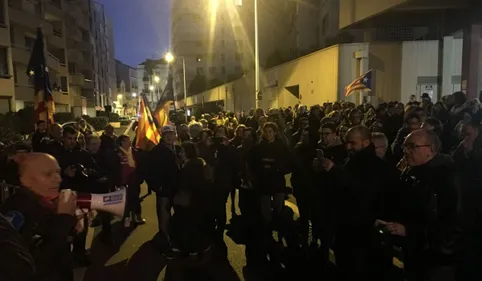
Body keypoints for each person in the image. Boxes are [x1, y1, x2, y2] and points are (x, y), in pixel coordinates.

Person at [0, 153, 78, 281]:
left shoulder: (44, 203)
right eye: (48, 174)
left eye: (58, 172)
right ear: (25, 180)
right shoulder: (18, 211)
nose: (58, 179)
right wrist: (63, 219)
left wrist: (71, 221)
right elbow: (32, 266)